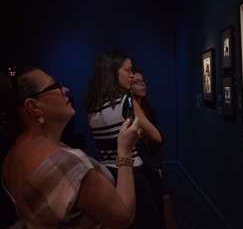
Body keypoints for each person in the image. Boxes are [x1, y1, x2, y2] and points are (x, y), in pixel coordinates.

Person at [0, 65, 141, 228]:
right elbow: (123, 216)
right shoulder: (64, 163)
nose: (65, 89)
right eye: (55, 86)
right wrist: (125, 150)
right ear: (33, 106)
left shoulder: (10, 160)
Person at [83, 51, 163, 229]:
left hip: (108, 172)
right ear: (113, 72)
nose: (132, 75)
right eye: (128, 70)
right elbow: (156, 137)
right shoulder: (126, 101)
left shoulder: (92, 105)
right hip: (133, 171)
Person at [131, 66, 163, 224]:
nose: (142, 84)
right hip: (137, 166)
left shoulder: (150, 110)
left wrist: (159, 166)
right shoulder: (127, 113)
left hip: (152, 164)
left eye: (143, 81)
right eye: (136, 82)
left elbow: (158, 141)